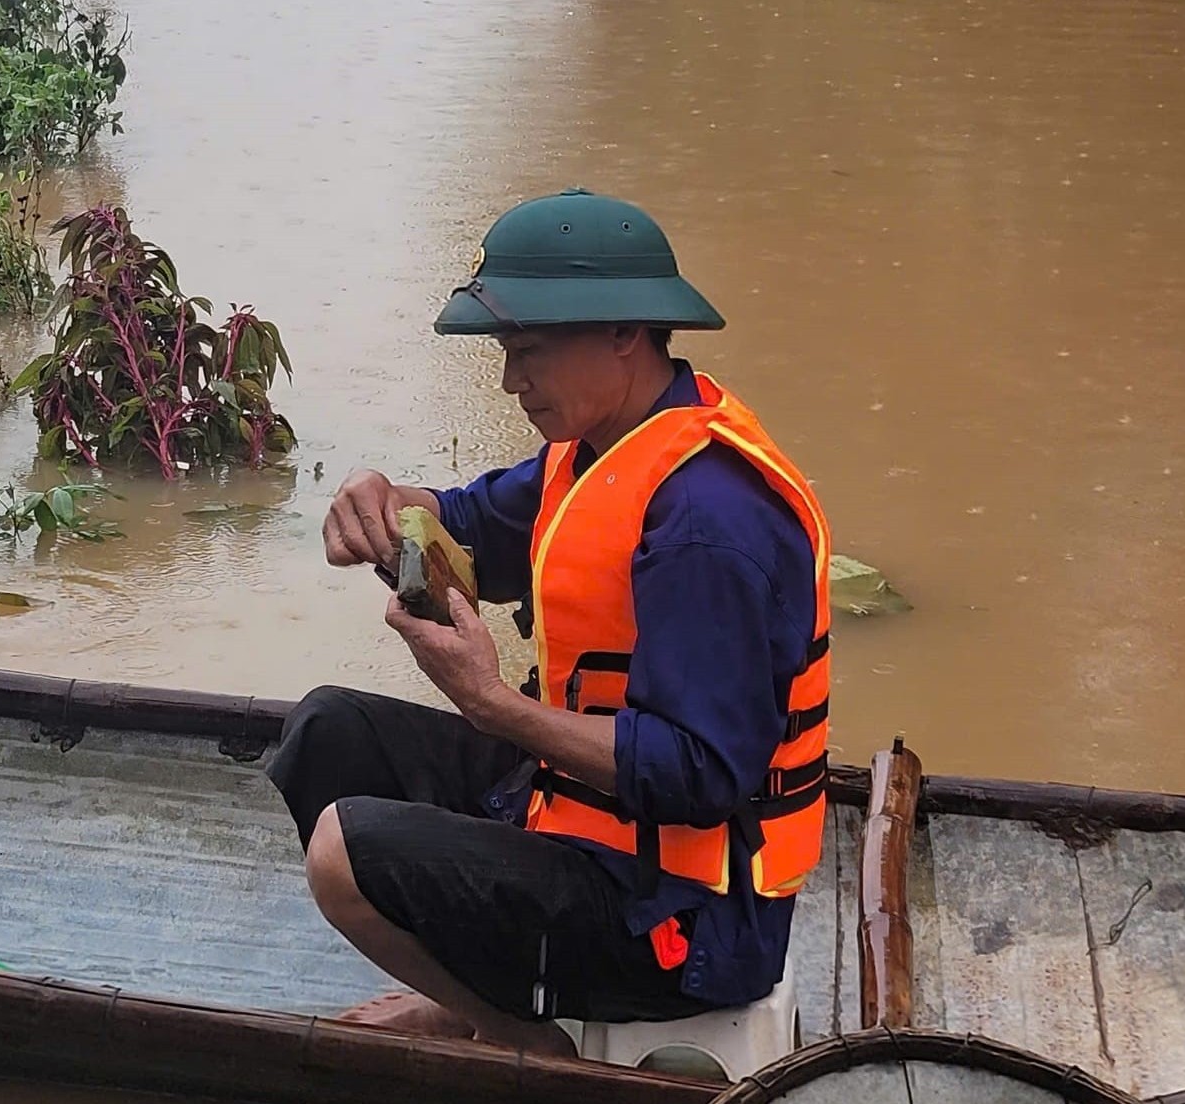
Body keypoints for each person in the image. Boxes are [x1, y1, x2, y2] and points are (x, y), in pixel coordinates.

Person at [265, 188, 833, 1057]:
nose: (510, 380)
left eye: (528, 352)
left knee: (344, 853)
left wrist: (492, 704)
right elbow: (473, 526)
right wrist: (383, 504)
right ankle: (468, 1000)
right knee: (327, 731)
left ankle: (519, 1040)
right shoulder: (600, 448)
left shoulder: (707, 525)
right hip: (577, 816)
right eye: (506, 351)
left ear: (622, 333)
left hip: (686, 916)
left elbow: (702, 774)